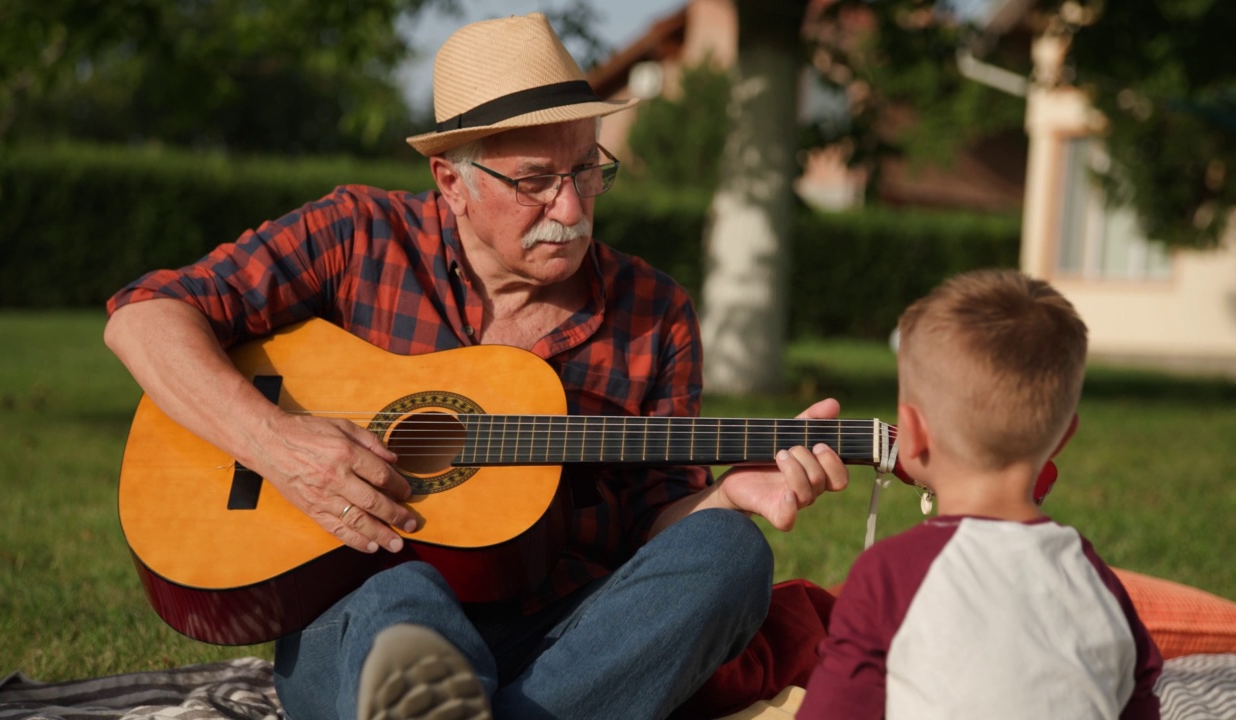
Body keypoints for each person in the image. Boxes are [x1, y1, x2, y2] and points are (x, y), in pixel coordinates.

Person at [104, 13, 851, 720]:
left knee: (730, 555)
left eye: (587, 168)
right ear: (451, 181)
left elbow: (655, 532)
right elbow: (145, 317)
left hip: (567, 638)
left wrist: (727, 499)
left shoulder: (654, 311)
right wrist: (276, 443)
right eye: (534, 179)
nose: (571, 204)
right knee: (407, 594)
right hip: (365, 624)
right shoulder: (358, 236)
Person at [798, 269, 1162, 719]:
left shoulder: (888, 576)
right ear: (1065, 436)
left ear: (910, 435)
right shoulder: (1095, 579)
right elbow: (1140, 702)